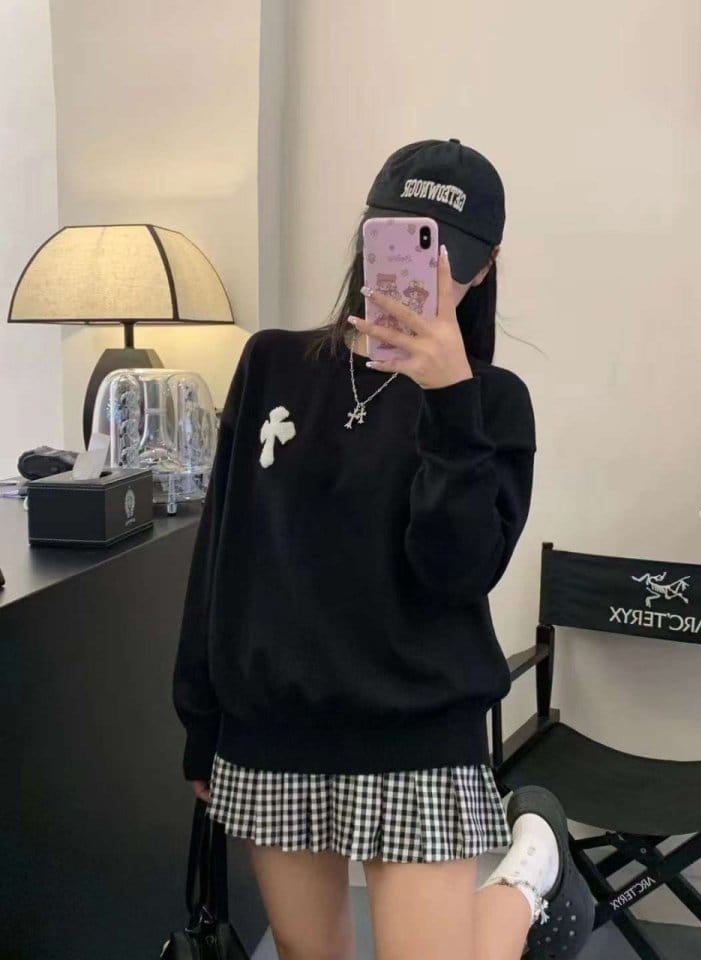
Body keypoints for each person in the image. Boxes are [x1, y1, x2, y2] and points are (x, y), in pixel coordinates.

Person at [172, 138, 595, 960]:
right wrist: (200, 719)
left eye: (447, 253)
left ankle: (523, 882)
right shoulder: (273, 364)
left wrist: (451, 400)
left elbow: (455, 573)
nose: (423, 272)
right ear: (367, 235)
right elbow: (222, 552)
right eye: (401, 240)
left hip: (418, 737)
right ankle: (529, 870)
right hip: (273, 732)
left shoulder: (493, 403)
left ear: (485, 265)